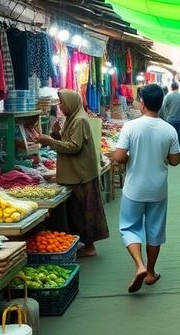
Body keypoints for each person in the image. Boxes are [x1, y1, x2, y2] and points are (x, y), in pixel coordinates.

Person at [106, 84, 180, 293]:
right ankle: (150, 272)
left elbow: (119, 157)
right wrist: (161, 155)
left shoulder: (131, 127)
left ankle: (138, 264)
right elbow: (175, 161)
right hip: (157, 189)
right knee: (155, 230)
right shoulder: (169, 129)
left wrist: (130, 158)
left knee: (129, 227)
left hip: (134, 189)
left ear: (143, 103)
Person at [36, 90, 110, 257]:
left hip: (80, 175)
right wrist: (55, 134)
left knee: (84, 212)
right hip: (76, 173)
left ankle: (90, 248)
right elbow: (68, 142)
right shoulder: (73, 119)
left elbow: (74, 147)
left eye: (62, 103)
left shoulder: (79, 120)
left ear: (71, 102)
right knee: (78, 212)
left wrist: (50, 140)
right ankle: (84, 244)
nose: (60, 106)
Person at [158, 81, 180, 151]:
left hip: (171, 120)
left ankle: (170, 150)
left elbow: (163, 107)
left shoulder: (168, 96)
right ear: (178, 87)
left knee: (170, 135)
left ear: (171, 88)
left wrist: (166, 117)